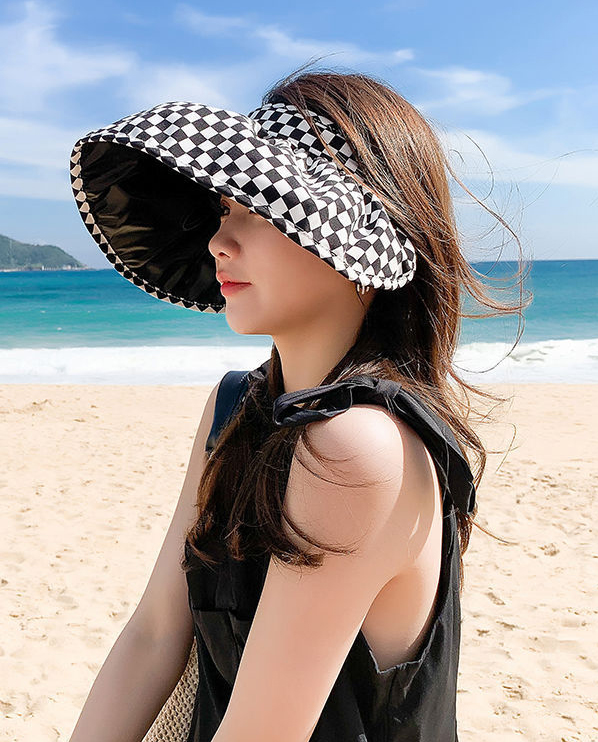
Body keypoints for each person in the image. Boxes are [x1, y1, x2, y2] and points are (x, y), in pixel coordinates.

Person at [66, 65, 527, 742]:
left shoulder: (357, 448)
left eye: (259, 211)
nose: (220, 240)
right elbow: (155, 634)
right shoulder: (235, 407)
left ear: (353, 241)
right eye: (225, 209)